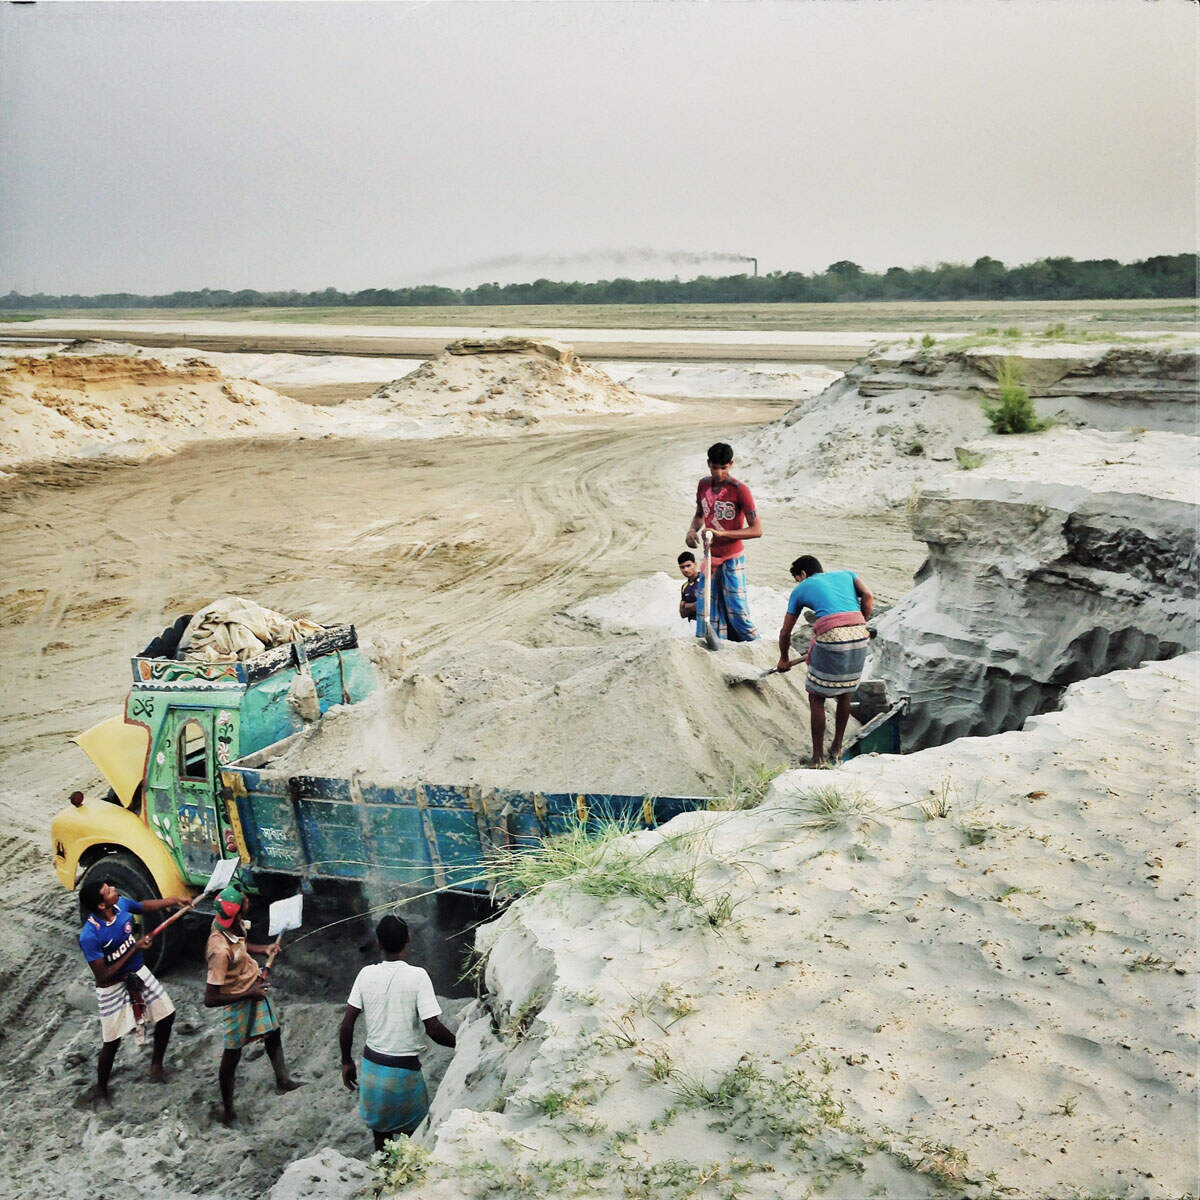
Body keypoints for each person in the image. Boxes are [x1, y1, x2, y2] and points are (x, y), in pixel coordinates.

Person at [339, 915, 456, 1151]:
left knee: (380, 1139)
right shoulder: (418, 976)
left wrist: (346, 1062)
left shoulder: (365, 975)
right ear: (409, 939)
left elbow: (347, 1023)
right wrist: (460, 1043)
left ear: (379, 943)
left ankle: (383, 1179)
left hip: (372, 1070)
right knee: (413, 1139)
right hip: (404, 1075)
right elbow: (433, 1029)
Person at [78, 877, 188, 1105]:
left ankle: (156, 1067)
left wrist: (172, 900)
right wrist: (134, 948)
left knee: (167, 1015)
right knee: (112, 1041)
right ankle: (101, 1089)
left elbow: (143, 906)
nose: (114, 889)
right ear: (101, 905)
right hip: (112, 987)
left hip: (138, 972)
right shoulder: (90, 936)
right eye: (108, 891)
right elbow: (103, 976)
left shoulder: (121, 905)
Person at [204, 881, 301, 1124]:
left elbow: (243, 947)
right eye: (244, 901)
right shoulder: (218, 951)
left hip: (252, 988)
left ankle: (283, 1081)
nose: (248, 902)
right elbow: (211, 998)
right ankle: (229, 1112)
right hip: (237, 1000)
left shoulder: (231, 925)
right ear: (236, 911)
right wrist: (250, 994)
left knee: (273, 1032)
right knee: (232, 1055)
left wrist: (264, 949)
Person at [776, 555, 874, 766]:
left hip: (831, 637)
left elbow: (785, 632)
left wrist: (784, 659)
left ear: (802, 574)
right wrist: (861, 622)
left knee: (817, 697)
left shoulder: (802, 588)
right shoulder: (847, 574)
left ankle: (817, 758)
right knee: (845, 692)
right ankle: (837, 748)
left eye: (798, 579)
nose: (799, 583)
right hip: (859, 632)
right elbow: (868, 595)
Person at [684, 442, 763, 641]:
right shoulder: (703, 485)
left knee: (737, 608)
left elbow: (757, 530)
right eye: (714, 467)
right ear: (708, 464)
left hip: (732, 557)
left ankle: (754, 644)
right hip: (710, 557)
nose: (718, 472)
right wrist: (693, 530)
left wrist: (723, 535)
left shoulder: (739, 490)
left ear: (730, 465)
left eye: (723, 467)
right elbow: (700, 514)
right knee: (707, 607)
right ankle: (711, 644)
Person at [677, 551, 699, 620]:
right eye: (682, 567)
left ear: (695, 564)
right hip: (692, 626)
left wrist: (687, 606)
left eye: (688, 566)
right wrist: (693, 606)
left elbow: (708, 605)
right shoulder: (684, 587)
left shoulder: (705, 580)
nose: (685, 570)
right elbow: (682, 614)